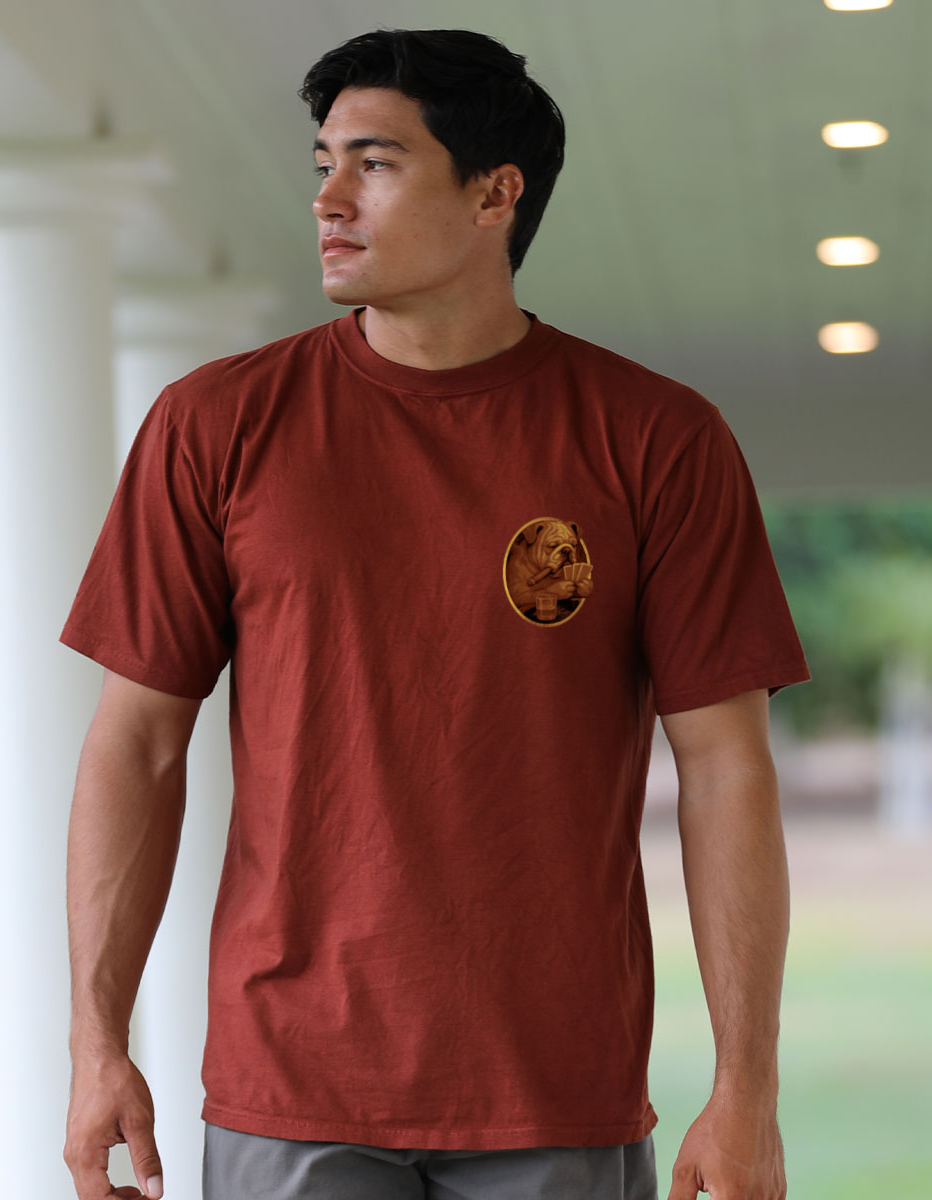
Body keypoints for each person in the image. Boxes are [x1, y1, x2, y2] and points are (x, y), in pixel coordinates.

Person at [61, 27, 809, 1200]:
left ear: (493, 195)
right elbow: (137, 740)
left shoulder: (656, 439)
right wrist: (95, 1041)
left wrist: (746, 1088)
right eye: (323, 163)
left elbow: (724, 768)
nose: (328, 199)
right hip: (289, 1079)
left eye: (375, 162)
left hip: (556, 1081)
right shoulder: (214, 427)